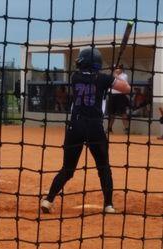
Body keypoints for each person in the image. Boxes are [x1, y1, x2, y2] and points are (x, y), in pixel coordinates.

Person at [41, 48, 131, 214]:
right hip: (94, 128)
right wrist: (113, 76)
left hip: (75, 126)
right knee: (103, 168)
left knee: (67, 169)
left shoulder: (75, 77)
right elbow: (126, 88)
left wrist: (108, 77)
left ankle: (48, 200)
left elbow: (92, 79)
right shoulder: (104, 78)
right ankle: (108, 205)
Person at [107, 64, 130, 134]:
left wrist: (115, 75)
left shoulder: (124, 75)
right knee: (111, 113)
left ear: (121, 69)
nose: (115, 69)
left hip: (120, 95)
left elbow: (124, 83)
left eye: (117, 68)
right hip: (111, 95)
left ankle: (126, 128)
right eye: (114, 68)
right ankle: (109, 128)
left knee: (123, 113)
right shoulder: (111, 74)